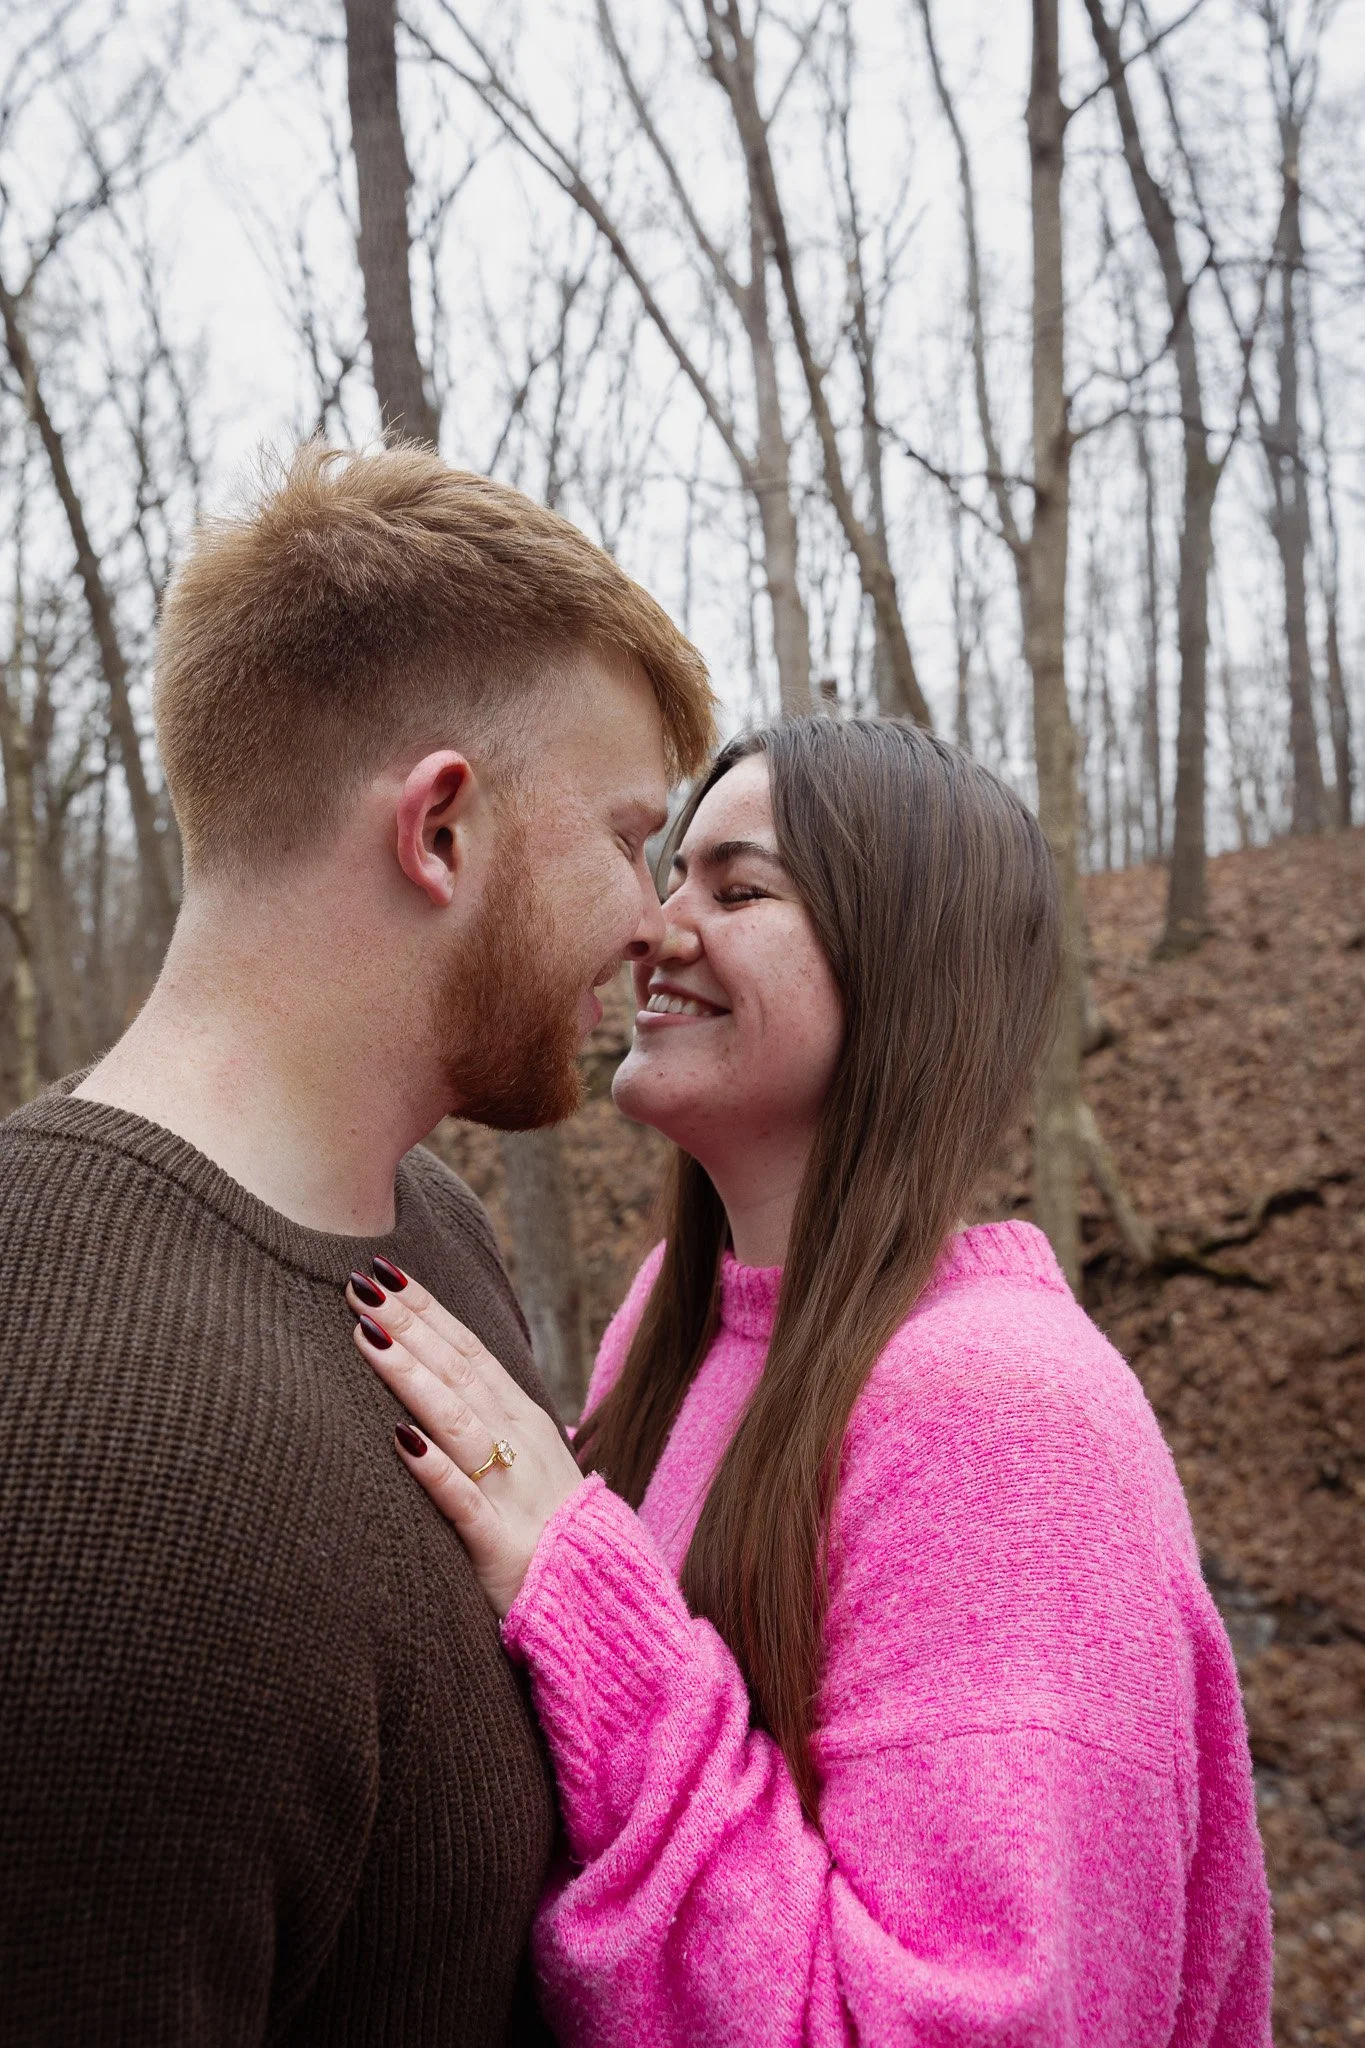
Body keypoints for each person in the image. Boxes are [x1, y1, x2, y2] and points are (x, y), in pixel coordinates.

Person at [347, 717, 1275, 2047]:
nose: (653, 927)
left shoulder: (1004, 1408)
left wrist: (587, 1596)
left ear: (906, 969)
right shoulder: (669, 1336)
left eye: (737, 890)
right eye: (671, 877)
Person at [0, 442, 715, 2044]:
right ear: (441, 830)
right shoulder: (81, 1451)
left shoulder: (432, 1239)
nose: (661, 921)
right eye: (625, 838)